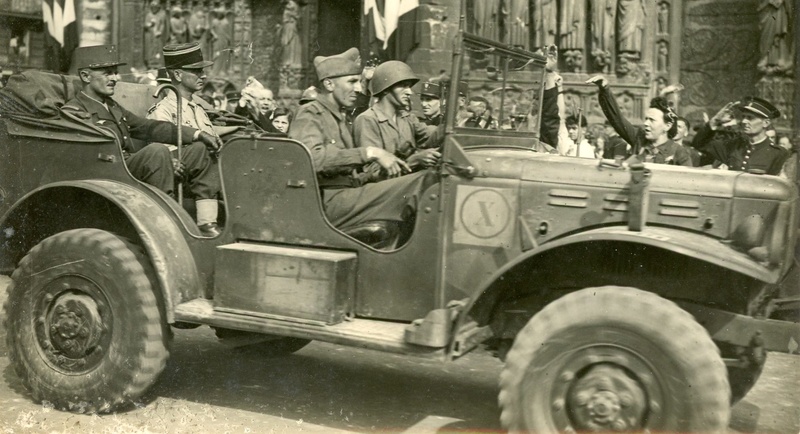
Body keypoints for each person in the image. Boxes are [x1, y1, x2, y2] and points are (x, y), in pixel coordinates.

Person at [62, 45, 223, 235]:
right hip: (108, 172)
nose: (115, 78)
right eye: (107, 73)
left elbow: (147, 127)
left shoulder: (112, 106)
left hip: (125, 166)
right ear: (86, 76)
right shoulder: (74, 112)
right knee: (157, 151)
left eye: (115, 72)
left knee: (198, 150)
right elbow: (96, 153)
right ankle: (170, 224)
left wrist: (197, 134)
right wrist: (161, 159)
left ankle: (207, 223)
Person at [288, 47, 432, 230]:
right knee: (423, 182)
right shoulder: (310, 113)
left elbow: (353, 175)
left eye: (358, 82)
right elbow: (311, 159)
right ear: (329, 84)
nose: (358, 88)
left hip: (347, 194)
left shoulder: (340, 117)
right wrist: (371, 153)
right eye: (352, 82)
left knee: (426, 178)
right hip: (326, 202)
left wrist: (394, 168)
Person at [147, 42, 226, 237]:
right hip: (185, 178)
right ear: (177, 75)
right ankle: (207, 224)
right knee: (200, 148)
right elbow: (161, 153)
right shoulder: (163, 110)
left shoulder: (199, 110)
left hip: (209, 175)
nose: (203, 75)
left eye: (202, 71)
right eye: (196, 71)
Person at [354, 61, 443, 178]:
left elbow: (431, 135)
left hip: (407, 183)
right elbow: (372, 173)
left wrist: (451, 126)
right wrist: (413, 161)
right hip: (385, 191)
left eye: (409, 86)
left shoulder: (406, 117)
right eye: (403, 86)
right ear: (385, 89)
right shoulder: (367, 120)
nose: (409, 92)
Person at [587, 74, 692, 166]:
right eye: (646, 119)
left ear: (667, 126)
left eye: (652, 120)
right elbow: (616, 118)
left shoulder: (680, 153)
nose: (646, 123)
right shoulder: (639, 138)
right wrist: (605, 90)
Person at [691, 97, 790, 176]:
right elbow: (699, 144)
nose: (744, 121)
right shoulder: (733, 146)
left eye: (750, 118)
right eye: (743, 117)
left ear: (766, 123)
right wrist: (715, 120)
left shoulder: (778, 154)